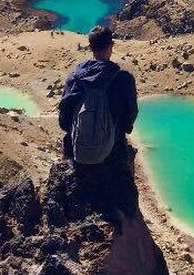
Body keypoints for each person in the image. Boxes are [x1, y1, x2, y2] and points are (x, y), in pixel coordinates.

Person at [58, 25, 140, 221]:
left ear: (89, 47)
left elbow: (64, 121)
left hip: (79, 157)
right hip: (113, 155)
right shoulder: (123, 79)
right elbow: (130, 118)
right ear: (111, 46)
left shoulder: (75, 77)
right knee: (127, 200)